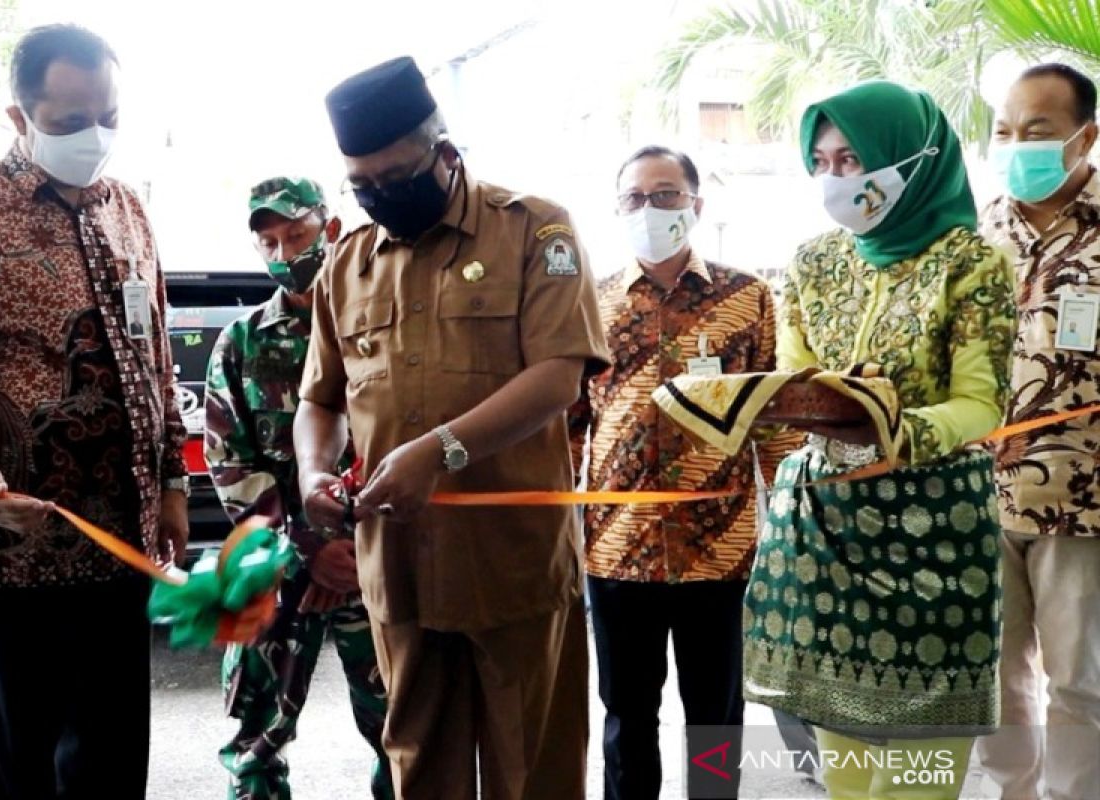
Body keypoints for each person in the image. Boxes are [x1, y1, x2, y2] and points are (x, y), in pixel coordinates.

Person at [295, 56, 610, 799]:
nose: (380, 196)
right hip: (398, 566)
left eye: (396, 177)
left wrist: (440, 451)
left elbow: (558, 375)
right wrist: (312, 473)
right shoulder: (346, 265)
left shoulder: (534, 230)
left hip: (513, 566)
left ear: (445, 154)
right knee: (418, 763)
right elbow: (321, 399)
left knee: (532, 767)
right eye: (362, 185)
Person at [0, 24, 188, 799]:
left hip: (121, 541)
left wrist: (170, 486)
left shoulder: (128, 208)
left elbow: (153, 356)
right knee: (18, 760)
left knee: (111, 755)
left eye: (110, 116)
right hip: (17, 547)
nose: (94, 136)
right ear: (18, 117)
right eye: (68, 121)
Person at [740, 81, 1015, 799]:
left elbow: (980, 403)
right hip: (828, 532)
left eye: (854, 158)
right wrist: (777, 405)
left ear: (912, 158)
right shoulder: (811, 263)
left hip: (936, 535)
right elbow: (799, 379)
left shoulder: (970, 263)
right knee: (848, 771)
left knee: (919, 774)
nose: (838, 179)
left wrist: (893, 427)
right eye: (823, 163)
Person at [568, 145, 793, 799]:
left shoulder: (746, 297)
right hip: (616, 549)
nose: (650, 208)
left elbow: (774, 417)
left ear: (697, 203)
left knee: (716, 720)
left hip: (719, 549)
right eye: (634, 198)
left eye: (666, 194)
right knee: (627, 715)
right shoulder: (593, 301)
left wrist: (785, 511)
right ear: (618, 209)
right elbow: (571, 421)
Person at [205, 177, 393, 799]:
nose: (284, 252)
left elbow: (403, 445)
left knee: (405, 734)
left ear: (330, 229)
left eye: (298, 235)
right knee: (256, 741)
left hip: (376, 566)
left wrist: (353, 551)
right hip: (278, 569)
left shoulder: (383, 332)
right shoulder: (241, 342)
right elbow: (229, 463)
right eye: (269, 242)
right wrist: (309, 549)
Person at [977, 62, 1100, 800]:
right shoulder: (979, 233)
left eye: (1038, 131)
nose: (1016, 145)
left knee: (1079, 680)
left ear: (1085, 137)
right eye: (1004, 131)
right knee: (994, 675)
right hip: (982, 496)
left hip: (1083, 502)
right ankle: (1012, 792)